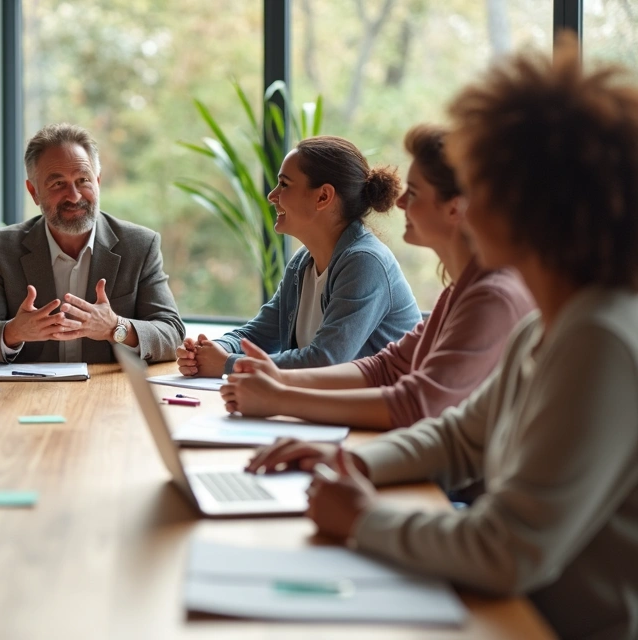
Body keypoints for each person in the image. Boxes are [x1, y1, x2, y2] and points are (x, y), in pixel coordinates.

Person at [247, 40, 638, 639]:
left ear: (530, 207)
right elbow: (459, 436)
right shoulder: (547, 325)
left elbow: (508, 549)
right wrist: (346, 459)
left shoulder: (600, 340)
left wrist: (363, 518)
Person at [220, 124, 534, 429]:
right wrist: (275, 381)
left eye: (413, 192)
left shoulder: (491, 296)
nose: (398, 202)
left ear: (454, 209)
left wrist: (279, 397)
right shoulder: (459, 292)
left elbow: (415, 405)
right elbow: (386, 367)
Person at [175, 136, 421, 376]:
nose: (272, 196)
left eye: (284, 184)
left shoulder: (365, 262)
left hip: (381, 414)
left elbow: (325, 362)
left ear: (323, 197)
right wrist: (212, 350)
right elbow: (258, 335)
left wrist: (228, 364)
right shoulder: (303, 262)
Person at [0, 123, 185, 363]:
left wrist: (115, 327)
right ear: (33, 192)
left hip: (109, 394)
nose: (74, 196)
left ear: (97, 182)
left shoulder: (139, 245)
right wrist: (14, 331)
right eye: (57, 184)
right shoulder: (1, 249)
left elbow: (172, 334)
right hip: (29, 394)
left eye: (83, 180)